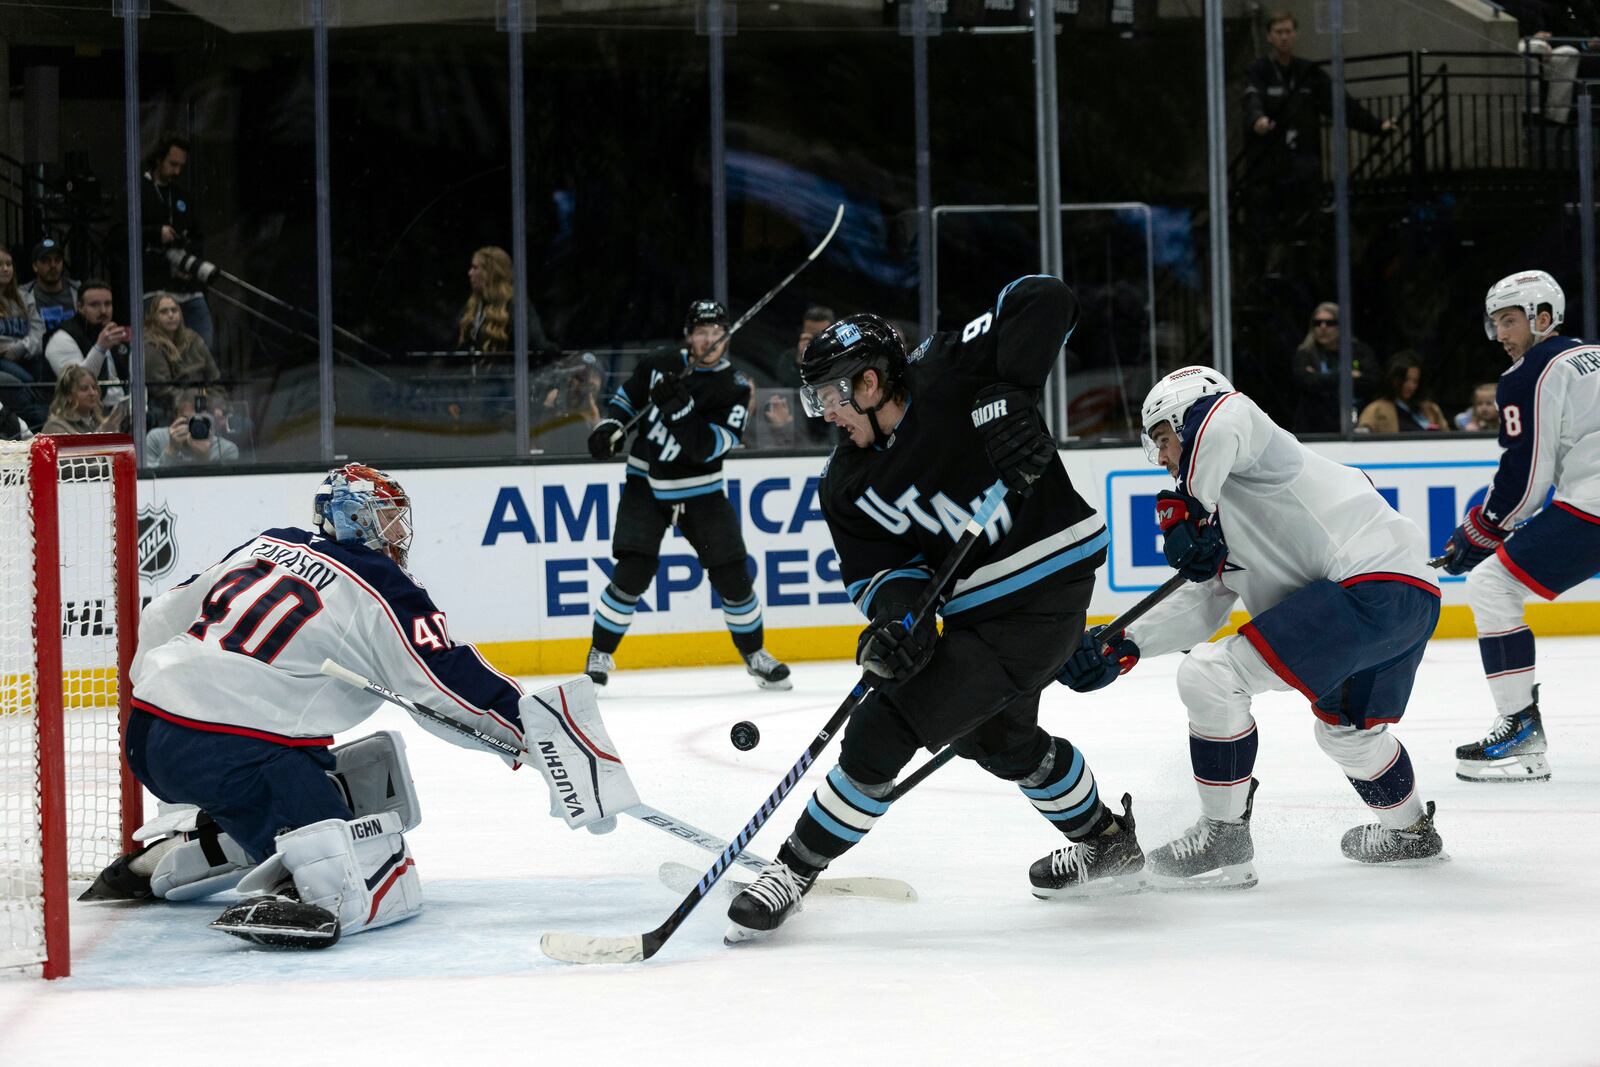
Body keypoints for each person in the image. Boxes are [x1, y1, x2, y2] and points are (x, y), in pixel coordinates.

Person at [725, 278, 1139, 944]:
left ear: (870, 381)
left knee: (883, 727)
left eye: (831, 394)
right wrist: (897, 619)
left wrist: (1016, 395)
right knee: (999, 740)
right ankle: (1106, 840)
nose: (825, 412)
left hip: (1042, 598)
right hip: (981, 616)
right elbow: (881, 573)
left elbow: (1044, 298)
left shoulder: (947, 367)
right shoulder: (846, 483)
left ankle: (793, 869)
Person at [80, 464, 639, 948]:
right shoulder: (381, 583)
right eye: (386, 517)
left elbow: (158, 619)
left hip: (148, 734)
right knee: (369, 877)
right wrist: (541, 739)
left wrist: (163, 698)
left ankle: (159, 862)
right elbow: (447, 683)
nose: (398, 532)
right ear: (355, 518)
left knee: (368, 778)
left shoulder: (266, 543)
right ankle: (307, 891)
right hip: (235, 750)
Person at [1060, 366, 1445, 887]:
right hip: (1406, 601)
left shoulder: (1257, 443)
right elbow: (1201, 605)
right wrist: (1120, 645)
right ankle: (1412, 834)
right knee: (1348, 736)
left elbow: (1222, 415)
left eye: (1164, 440)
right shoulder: (1220, 513)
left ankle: (1223, 832)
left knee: (1211, 675)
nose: (1165, 458)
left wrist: (1183, 509)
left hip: (1366, 586)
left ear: (1185, 417)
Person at [1441, 270, 1600, 783]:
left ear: (1544, 318)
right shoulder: (1594, 355)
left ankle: (1520, 736)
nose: (1502, 336)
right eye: (1495, 324)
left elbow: (1526, 479)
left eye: (1510, 321)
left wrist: (1483, 530)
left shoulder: (1529, 373)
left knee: (1491, 583)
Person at [584, 299, 791, 691]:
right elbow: (625, 402)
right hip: (646, 483)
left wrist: (680, 410)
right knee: (632, 571)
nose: (710, 340)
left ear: (726, 336)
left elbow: (706, 448)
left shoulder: (734, 387)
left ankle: (755, 654)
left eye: (717, 333)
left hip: (702, 490)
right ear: (688, 335)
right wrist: (609, 429)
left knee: (733, 577)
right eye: (702, 332)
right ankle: (599, 653)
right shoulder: (659, 363)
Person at [1242, 11, 1396, 251]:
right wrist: (1258, 120)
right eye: (1278, 32)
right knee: (1267, 229)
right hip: (1270, 167)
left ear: (1295, 35)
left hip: (1304, 165)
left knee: (1306, 230)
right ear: (1269, 37)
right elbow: (1252, 97)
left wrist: (1377, 126)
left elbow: (1341, 105)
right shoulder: (1259, 70)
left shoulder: (1308, 72)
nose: (1284, 37)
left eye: (1288, 32)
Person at [140, 133, 214, 352]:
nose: (177, 171)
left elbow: (198, 235)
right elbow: (120, 234)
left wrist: (189, 257)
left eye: (181, 166)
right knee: (161, 349)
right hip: (155, 283)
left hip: (186, 285)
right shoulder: (139, 191)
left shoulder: (181, 195)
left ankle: (203, 385)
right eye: (172, 164)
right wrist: (156, 234)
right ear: (158, 159)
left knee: (203, 345)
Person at [456, 245, 558, 366]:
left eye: (475, 268)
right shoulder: (473, 306)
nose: (470, 273)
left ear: (490, 273)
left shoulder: (515, 304)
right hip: (476, 382)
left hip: (507, 380)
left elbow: (538, 344)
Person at [1290, 302, 1374, 433]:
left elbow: (1372, 381)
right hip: (1313, 427)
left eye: (1330, 323)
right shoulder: (1305, 353)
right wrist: (1346, 375)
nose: (1323, 327)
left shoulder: (1358, 351)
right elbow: (1306, 382)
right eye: (1318, 323)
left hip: (1352, 424)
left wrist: (1321, 378)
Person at [144, 290, 225, 425]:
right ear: (153, 317)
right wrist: (202, 404)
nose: (171, 315)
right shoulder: (151, 345)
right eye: (164, 312)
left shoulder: (193, 338)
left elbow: (214, 378)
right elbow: (163, 390)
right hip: (172, 411)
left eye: (174, 310)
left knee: (244, 425)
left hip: (206, 405)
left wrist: (219, 406)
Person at [44, 280, 129, 402]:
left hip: (122, 408)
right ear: (79, 306)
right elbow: (77, 384)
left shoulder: (114, 333)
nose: (104, 311)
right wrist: (100, 348)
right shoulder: (61, 338)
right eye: (95, 305)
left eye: (108, 304)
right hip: (78, 414)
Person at [144, 389, 240, 467]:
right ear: (176, 417)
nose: (194, 427)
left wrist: (204, 459)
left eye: (201, 422)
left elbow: (224, 487)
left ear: (211, 420)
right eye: (188, 421)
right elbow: (147, 483)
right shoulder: (156, 438)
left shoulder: (226, 449)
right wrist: (171, 450)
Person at [1356, 351, 1448, 432]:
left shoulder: (1431, 409)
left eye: (1415, 381)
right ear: (1393, 379)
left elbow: (1446, 438)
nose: (1411, 386)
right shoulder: (1376, 410)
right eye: (1405, 380)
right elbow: (1363, 439)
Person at [40, 364, 130, 435]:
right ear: (68, 395)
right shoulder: (55, 427)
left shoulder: (99, 422)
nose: (92, 393)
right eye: (84, 389)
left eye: (94, 387)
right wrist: (102, 432)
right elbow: (74, 456)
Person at [21, 238, 78, 342]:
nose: (53, 265)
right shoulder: (23, 295)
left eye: (57, 260)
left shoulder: (78, 291)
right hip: (40, 355)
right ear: (35, 266)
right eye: (45, 261)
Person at [773, 305, 834, 389]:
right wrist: (800, 360)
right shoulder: (789, 356)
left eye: (818, 336)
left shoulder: (837, 358)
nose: (814, 341)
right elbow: (785, 389)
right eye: (810, 335)